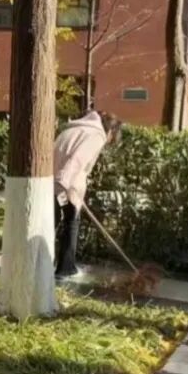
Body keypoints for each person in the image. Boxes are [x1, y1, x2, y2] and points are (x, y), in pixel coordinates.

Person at [53, 110, 123, 281]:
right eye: (111, 138)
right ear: (110, 131)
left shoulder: (72, 129)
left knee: (52, 223)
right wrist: (64, 183)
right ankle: (65, 270)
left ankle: (46, 265)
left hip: (51, 184)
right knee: (71, 223)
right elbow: (77, 160)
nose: (108, 141)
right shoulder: (96, 135)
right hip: (66, 188)